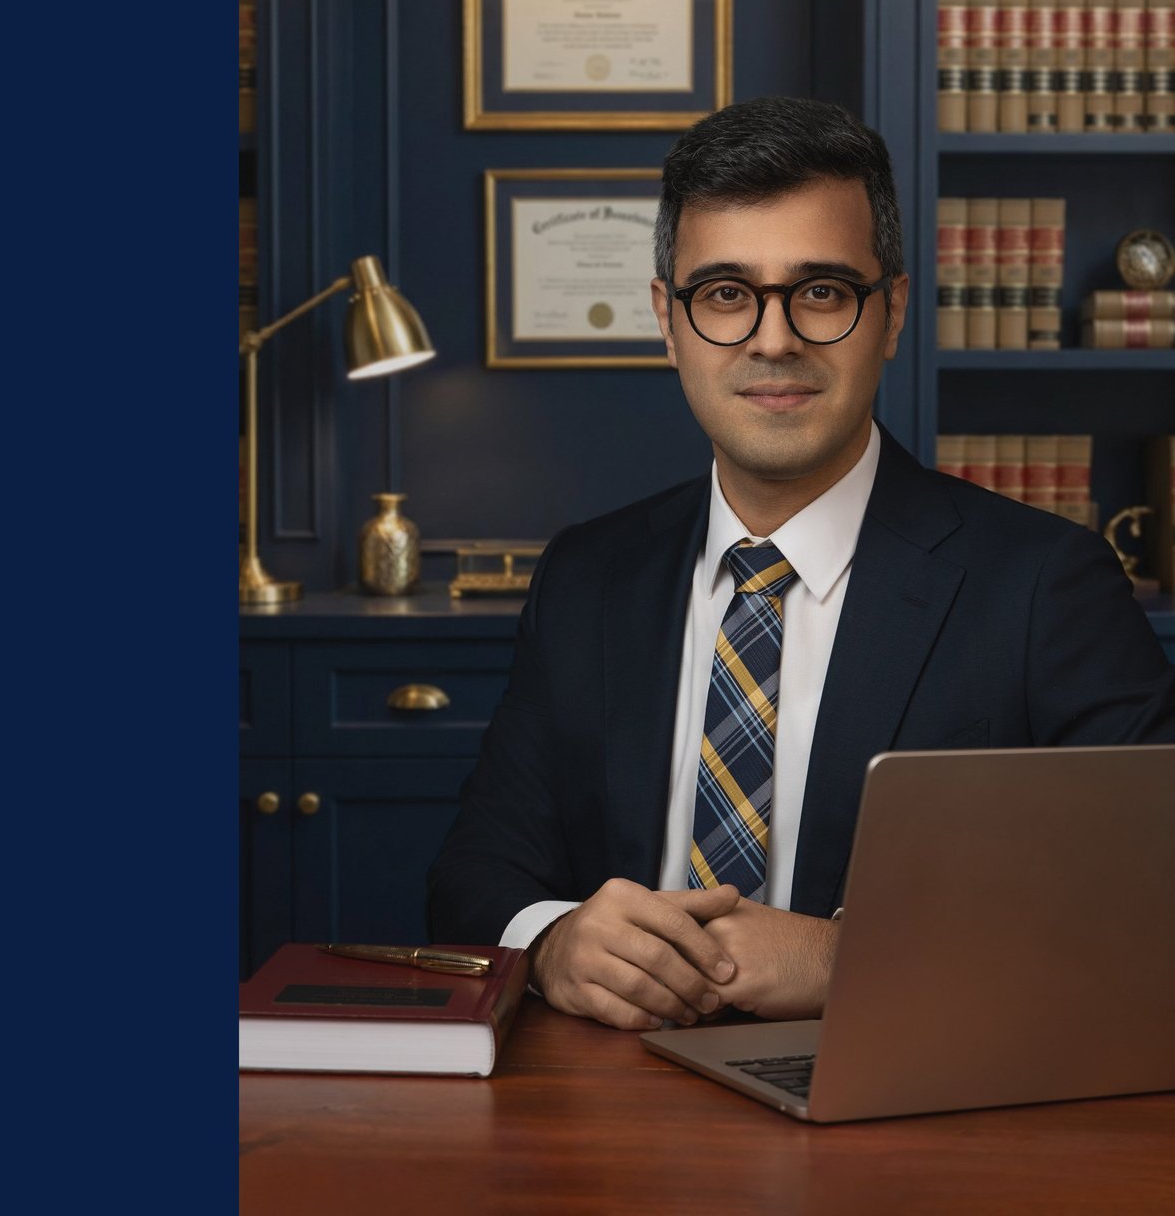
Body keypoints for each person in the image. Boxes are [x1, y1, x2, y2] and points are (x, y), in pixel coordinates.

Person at [425, 95, 1175, 1033]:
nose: (773, 339)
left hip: (896, 1097)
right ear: (667, 321)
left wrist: (849, 961)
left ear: (891, 312)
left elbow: (1148, 901)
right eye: (724, 294)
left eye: (821, 292)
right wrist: (552, 942)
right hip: (616, 1095)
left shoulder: (1045, 587)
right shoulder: (586, 577)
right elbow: (474, 873)